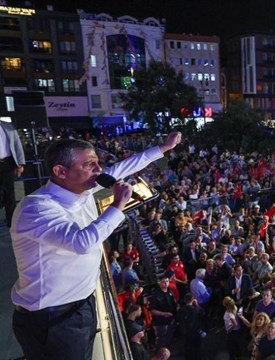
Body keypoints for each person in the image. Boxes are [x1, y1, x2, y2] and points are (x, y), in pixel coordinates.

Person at [10, 131, 181, 360]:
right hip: (52, 317)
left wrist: (163, 148)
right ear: (60, 171)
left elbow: (124, 167)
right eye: (90, 164)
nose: (99, 170)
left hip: (81, 305)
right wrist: (117, 205)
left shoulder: (84, 187)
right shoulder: (37, 208)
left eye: (98, 163)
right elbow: (81, 242)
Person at [0, 119, 25, 226]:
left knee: (10, 194)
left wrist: (20, 163)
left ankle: (12, 221)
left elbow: (17, 144)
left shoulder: (8, 126)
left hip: (8, 163)